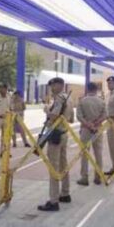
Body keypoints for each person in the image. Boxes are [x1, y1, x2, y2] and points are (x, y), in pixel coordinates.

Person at [38, 77, 75, 212]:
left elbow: (53, 116)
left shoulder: (59, 99)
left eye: (52, 86)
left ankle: (53, 201)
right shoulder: (69, 98)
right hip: (63, 133)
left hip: (55, 135)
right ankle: (65, 193)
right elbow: (71, 119)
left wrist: (47, 110)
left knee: (53, 167)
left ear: (59, 85)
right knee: (63, 165)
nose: (51, 88)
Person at [76, 82, 106, 186]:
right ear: (96, 90)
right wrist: (96, 123)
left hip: (86, 129)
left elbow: (79, 116)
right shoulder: (101, 101)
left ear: (87, 89)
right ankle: (98, 176)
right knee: (98, 153)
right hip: (98, 129)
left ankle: (84, 177)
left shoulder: (82, 101)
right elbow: (105, 115)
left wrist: (88, 124)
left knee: (85, 153)